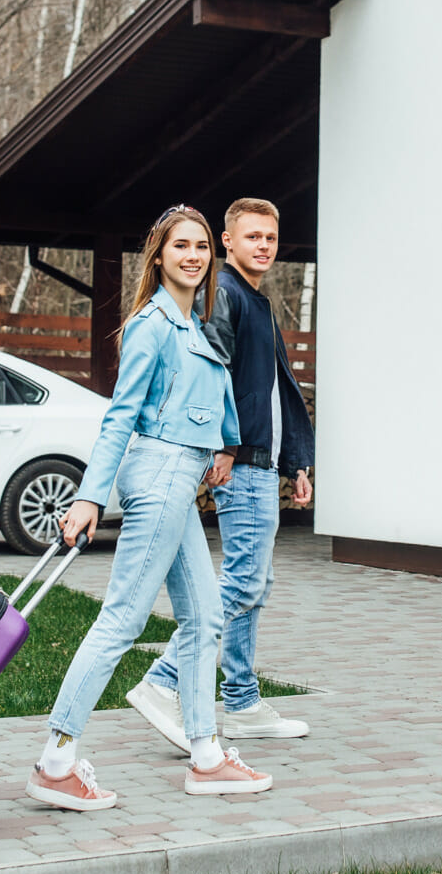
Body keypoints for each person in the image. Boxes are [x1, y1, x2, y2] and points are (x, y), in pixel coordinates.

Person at [25, 205, 274, 811]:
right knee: (123, 619)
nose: (193, 255)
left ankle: (207, 758)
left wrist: (223, 443)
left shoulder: (195, 325)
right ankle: (56, 760)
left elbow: (214, 396)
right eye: (180, 246)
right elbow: (120, 416)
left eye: (200, 247)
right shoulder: (151, 324)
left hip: (182, 477)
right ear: (158, 257)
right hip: (159, 474)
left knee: (206, 618)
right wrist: (89, 495)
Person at [127, 198, 314, 748]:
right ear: (227, 243)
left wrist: (296, 459)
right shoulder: (226, 296)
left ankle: (241, 698)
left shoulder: (255, 299)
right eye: (251, 236)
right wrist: (225, 448)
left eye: (271, 237)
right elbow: (210, 377)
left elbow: (276, 387)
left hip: (264, 459)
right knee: (242, 582)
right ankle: (164, 681)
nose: (263, 245)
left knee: (253, 583)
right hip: (243, 461)